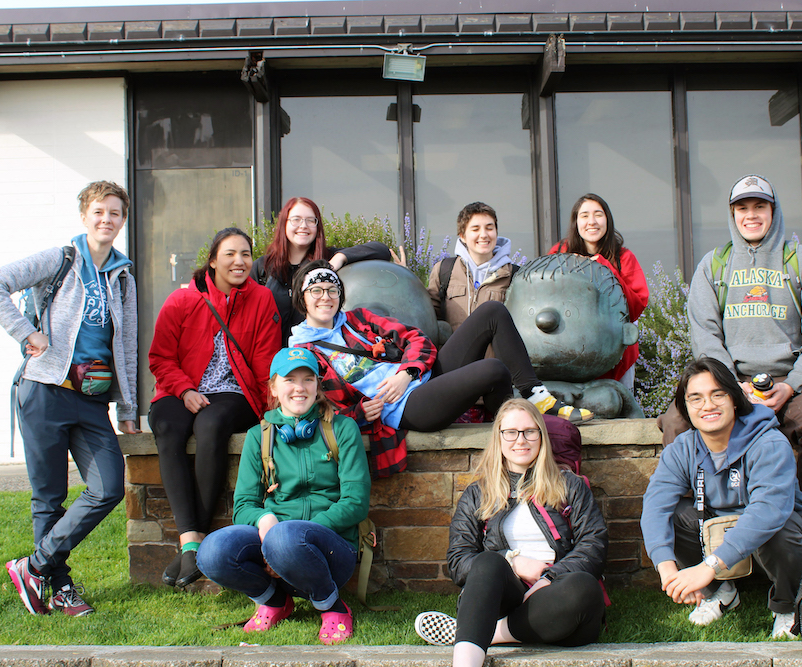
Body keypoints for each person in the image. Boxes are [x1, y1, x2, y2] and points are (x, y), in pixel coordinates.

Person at [0, 180, 139, 616]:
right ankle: (59, 586)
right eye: (99, 212)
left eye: (115, 213)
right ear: (84, 215)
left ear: (123, 220)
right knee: (48, 498)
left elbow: (127, 346)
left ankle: (34, 567)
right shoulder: (60, 259)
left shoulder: (123, 276)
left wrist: (127, 409)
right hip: (44, 391)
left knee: (107, 486)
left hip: (90, 400)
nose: (107, 220)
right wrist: (27, 333)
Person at [657, 174, 802, 538]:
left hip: (795, 378)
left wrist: (791, 386)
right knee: (676, 424)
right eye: (742, 207)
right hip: (727, 378)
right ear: (732, 214)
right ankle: (693, 529)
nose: (751, 215)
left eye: (759, 206)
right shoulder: (714, 265)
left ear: (773, 212)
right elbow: (705, 334)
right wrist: (732, 387)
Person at [288, 260, 593, 476]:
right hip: (405, 407)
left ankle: (535, 394)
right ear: (303, 298)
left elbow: (416, 338)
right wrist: (358, 415)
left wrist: (407, 372)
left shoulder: (357, 319)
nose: (325, 297)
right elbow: (314, 410)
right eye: (316, 291)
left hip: (418, 379)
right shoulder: (302, 352)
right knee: (494, 370)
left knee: (492, 312)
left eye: (332, 290)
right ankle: (509, 432)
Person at [413, 398, 608, 666]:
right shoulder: (477, 495)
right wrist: (513, 562)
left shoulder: (570, 486)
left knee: (584, 587)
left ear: (541, 436)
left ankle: (483, 633)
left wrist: (549, 577)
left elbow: (594, 546)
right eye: (511, 432)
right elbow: (459, 562)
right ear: (499, 438)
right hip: (504, 596)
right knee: (489, 561)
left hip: (558, 597)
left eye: (530, 431)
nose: (521, 440)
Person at [197, 347, 369, 645]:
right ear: (274, 387)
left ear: (318, 386)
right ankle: (274, 600)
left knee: (287, 538)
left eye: (308, 379)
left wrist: (295, 540)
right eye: (289, 379)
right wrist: (266, 521)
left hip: (332, 551)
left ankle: (332, 605)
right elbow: (243, 507)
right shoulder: (259, 436)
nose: (299, 388)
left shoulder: (342, 428)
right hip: (275, 542)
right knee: (212, 551)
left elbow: (355, 502)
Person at [641, 358, 802, 638]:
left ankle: (787, 605)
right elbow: (655, 506)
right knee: (676, 513)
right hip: (718, 535)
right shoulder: (682, 449)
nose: (707, 405)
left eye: (717, 394)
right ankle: (721, 593)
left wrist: (709, 566)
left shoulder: (769, 442)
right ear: (686, 407)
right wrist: (666, 569)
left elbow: (768, 512)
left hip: (775, 540)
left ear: (734, 400)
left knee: (780, 526)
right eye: (695, 398)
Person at [148, 227, 282, 589]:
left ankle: (194, 544)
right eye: (230, 254)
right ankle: (191, 542)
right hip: (180, 388)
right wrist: (184, 389)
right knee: (167, 427)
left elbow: (265, 360)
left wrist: (269, 407)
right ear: (212, 261)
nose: (239, 261)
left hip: (233, 392)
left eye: (245, 254)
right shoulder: (181, 301)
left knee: (210, 425)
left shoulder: (261, 300)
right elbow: (160, 358)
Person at [250, 196, 393, 347]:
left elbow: (381, 250)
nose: (303, 226)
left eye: (310, 220)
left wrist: (339, 258)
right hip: (271, 358)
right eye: (296, 219)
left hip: (320, 358)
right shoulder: (263, 267)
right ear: (284, 223)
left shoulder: (327, 259)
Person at [548, 193, 648, 390]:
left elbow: (635, 307)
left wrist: (604, 268)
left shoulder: (623, 257)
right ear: (576, 222)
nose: (591, 222)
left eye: (598, 215)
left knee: (618, 411)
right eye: (584, 215)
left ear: (607, 220)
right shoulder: (560, 252)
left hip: (616, 354)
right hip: (569, 352)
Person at [428, 202, 518, 333]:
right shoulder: (444, 270)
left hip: (497, 354)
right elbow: (428, 318)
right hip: (455, 353)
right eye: (475, 229)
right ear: (462, 236)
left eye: (489, 228)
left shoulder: (514, 276)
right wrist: (408, 281)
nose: (483, 235)